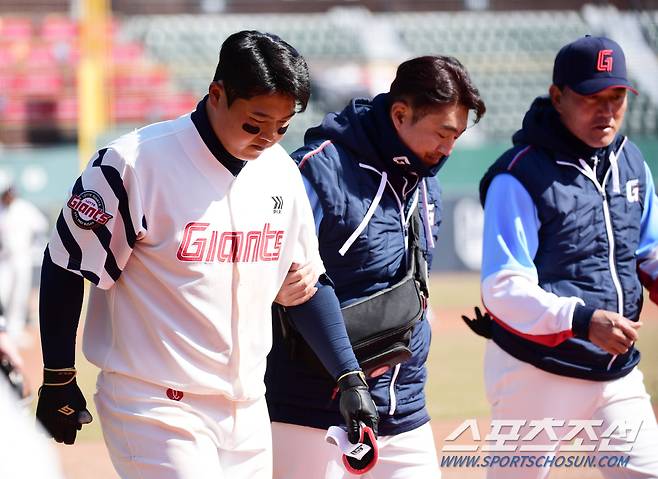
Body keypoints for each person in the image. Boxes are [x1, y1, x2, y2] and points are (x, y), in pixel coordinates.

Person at [35, 30, 377, 479]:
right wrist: (58, 373)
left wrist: (349, 376)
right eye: (255, 123)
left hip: (248, 407)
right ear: (217, 94)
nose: (268, 137)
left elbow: (307, 287)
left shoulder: (280, 173)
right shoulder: (133, 163)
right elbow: (66, 261)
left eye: (282, 126)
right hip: (155, 404)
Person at [266, 55, 486, 478]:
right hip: (309, 409)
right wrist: (349, 378)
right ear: (400, 114)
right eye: (443, 133)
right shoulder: (317, 170)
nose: (448, 148)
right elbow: (286, 284)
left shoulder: (427, 186)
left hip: (403, 411)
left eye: (457, 136)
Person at [467, 35, 658, 478]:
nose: (607, 111)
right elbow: (503, 287)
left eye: (616, 97)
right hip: (537, 368)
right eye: (592, 97)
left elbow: (647, 251)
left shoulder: (631, 162)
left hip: (614, 369)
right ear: (557, 97)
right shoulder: (519, 176)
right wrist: (583, 320)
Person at [0, 183, 48, 341]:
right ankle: (3, 329)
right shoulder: (1, 209)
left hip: (22, 257)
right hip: (3, 259)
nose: (9, 197)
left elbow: (41, 225)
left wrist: (32, 246)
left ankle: (15, 330)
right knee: (3, 294)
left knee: (19, 294)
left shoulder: (24, 208)